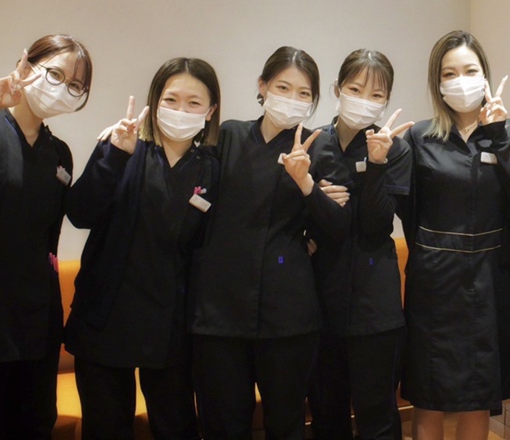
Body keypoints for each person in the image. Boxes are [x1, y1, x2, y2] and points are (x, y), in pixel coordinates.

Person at [191, 46, 352, 440]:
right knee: (223, 423)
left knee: (285, 423)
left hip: (288, 315)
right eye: (283, 87)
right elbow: (196, 203)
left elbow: (336, 229)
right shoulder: (228, 135)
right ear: (262, 86)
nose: (293, 98)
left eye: (304, 93)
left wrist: (307, 184)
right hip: (220, 310)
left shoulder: (319, 147)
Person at [64, 57, 221, 439]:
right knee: (106, 428)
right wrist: (114, 156)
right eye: (171, 100)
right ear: (155, 102)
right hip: (105, 321)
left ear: (210, 110)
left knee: (176, 426)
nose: (181, 110)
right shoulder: (123, 147)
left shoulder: (211, 169)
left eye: (194, 103)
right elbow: (80, 214)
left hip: (170, 330)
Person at [399, 30, 510, 440]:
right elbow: (408, 211)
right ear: (437, 82)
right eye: (449, 73)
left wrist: (498, 136)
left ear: (485, 75)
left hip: (488, 280)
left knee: (478, 393)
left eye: (469, 70)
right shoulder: (420, 136)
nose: (460, 80)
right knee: (428, 393)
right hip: (434, 281)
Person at [309, 49, 413, 440]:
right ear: (338, 89)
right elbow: (295, 217)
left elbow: (376, 225)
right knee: (326, 413)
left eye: (376, 94)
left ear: (386, 101)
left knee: (377, 415)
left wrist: (376, 165)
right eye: (355, 89)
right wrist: (315, 200)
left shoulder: (395, 148)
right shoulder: (313, 143)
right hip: (320, 301)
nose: (364, 100)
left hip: (375, 306)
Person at [0, 34, 93, 439]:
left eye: (75, 85)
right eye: (55, 74)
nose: (62, 89)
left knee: (35, 422)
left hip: (37, 315)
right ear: (26, 66)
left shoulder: (59, 154)